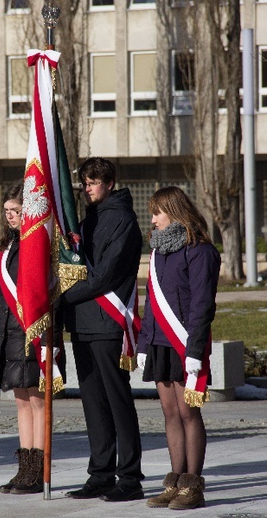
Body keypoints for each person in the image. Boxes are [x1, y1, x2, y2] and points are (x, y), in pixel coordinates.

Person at [62, 157, 144, 502]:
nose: (87, 188)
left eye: (93, 182)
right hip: (83, 321)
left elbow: (105, 275)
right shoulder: (86, 220)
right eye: (83, 182)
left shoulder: (123, 220)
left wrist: (62, 296)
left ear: (109, 183)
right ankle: (100, 473)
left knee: (117, 399)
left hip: (108, 322)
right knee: (93, 402)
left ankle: (129, 476)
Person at [137, 186, 221, 510]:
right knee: (170, 413)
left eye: (157, 212)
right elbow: (152, 303)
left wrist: (196, 352)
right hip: (159, 341)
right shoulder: (158, 251)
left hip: (186, 343)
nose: (153, 219)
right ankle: (175, 482)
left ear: (174, 211)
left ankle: (192, 486)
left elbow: (202, 305)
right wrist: (144, 342)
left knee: (188, 413)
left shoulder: (200, 251)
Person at [0, 180, 45, 495]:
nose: (10, 216)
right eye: (7, 210)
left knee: (37, 400)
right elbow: (0, 297)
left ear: (29, 212)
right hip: (8, 333)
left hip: (31, 332)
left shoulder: (38, 244)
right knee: (20, 400)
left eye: (16, 211)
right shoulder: (6, 245)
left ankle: (37, 472)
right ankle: (24, 470)